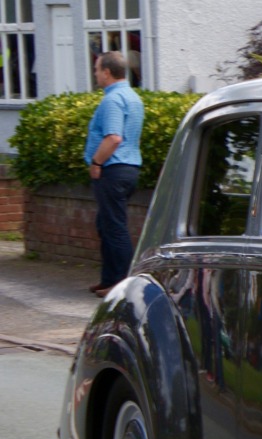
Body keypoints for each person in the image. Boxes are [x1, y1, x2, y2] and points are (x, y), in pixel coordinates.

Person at [84, 51, 144, 297]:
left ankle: (122, 284)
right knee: (105, 224)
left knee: (115, 227)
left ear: (107, 72)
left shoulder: (113, 100)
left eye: (97, 70)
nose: (95, 74)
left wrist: (97, 162)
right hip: (128, 168)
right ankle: (109, 278)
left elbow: (114, 137)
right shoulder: (132, 97)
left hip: (112, 169)